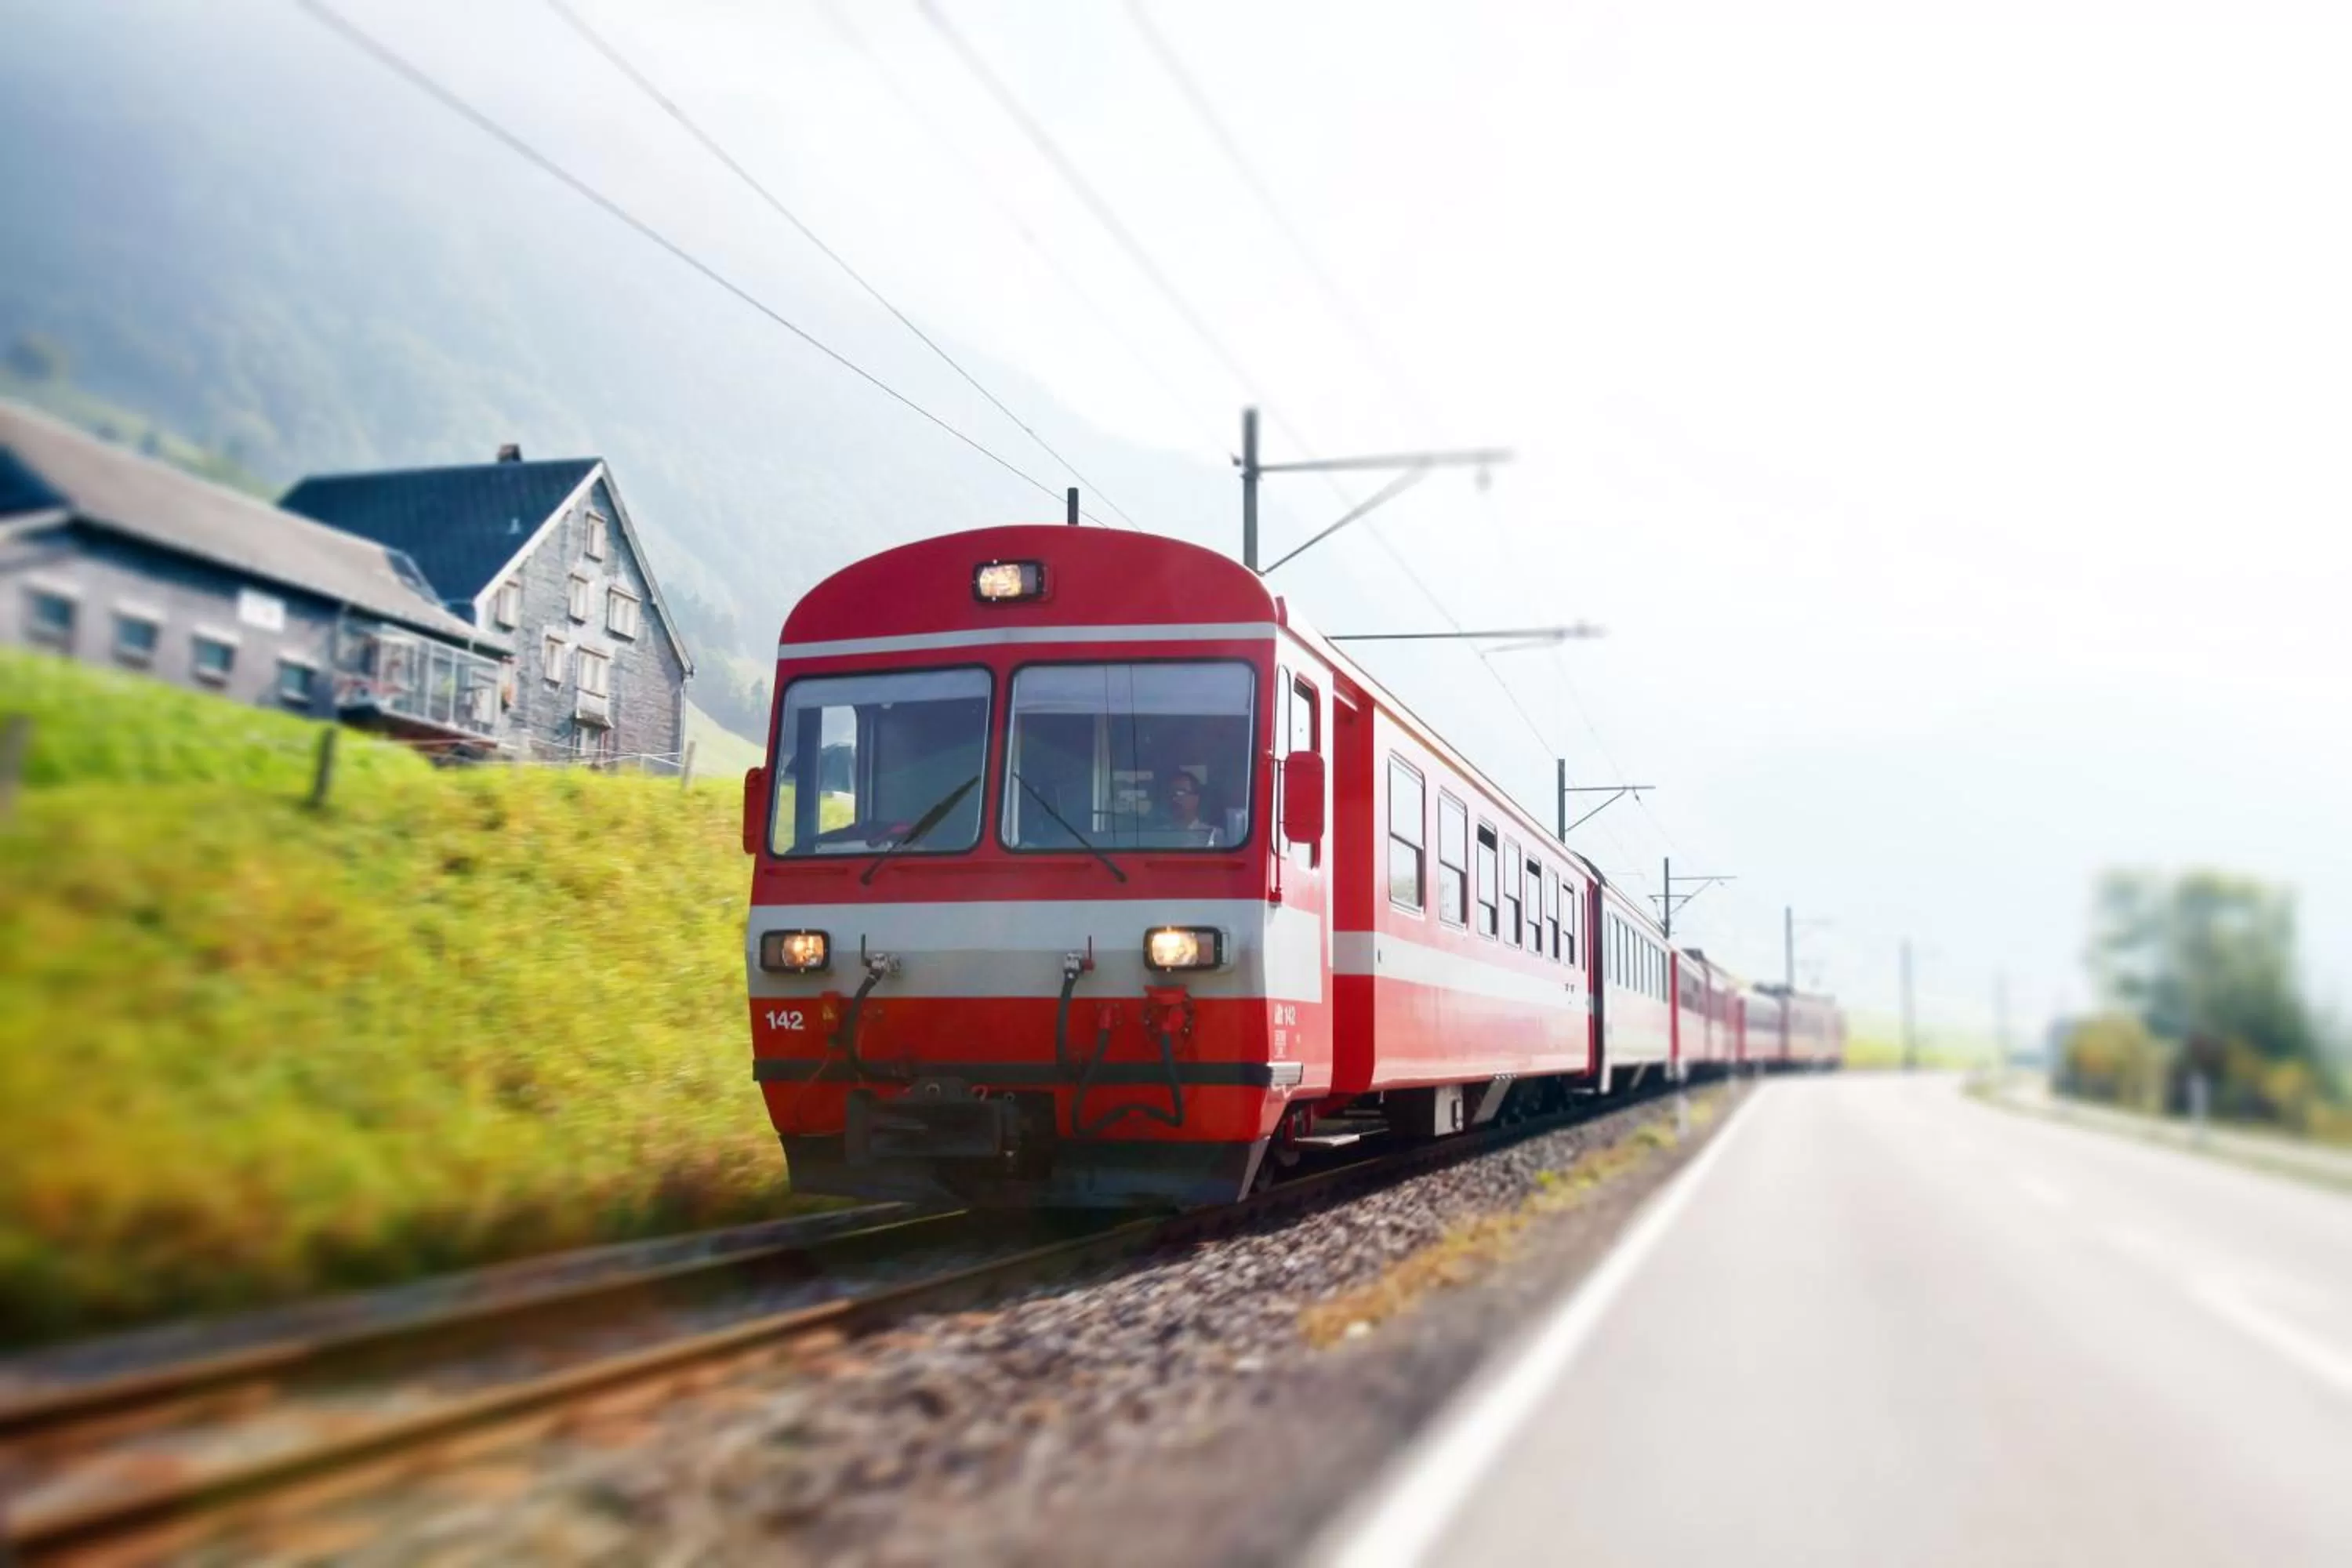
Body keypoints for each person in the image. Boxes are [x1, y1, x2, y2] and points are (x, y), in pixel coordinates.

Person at [1149, 768, 1217, 843]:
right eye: (1170, 793)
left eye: (1181, 793)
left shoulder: (1213, 835)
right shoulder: (1158, 835)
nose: (1174, 799)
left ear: (1196, 798)